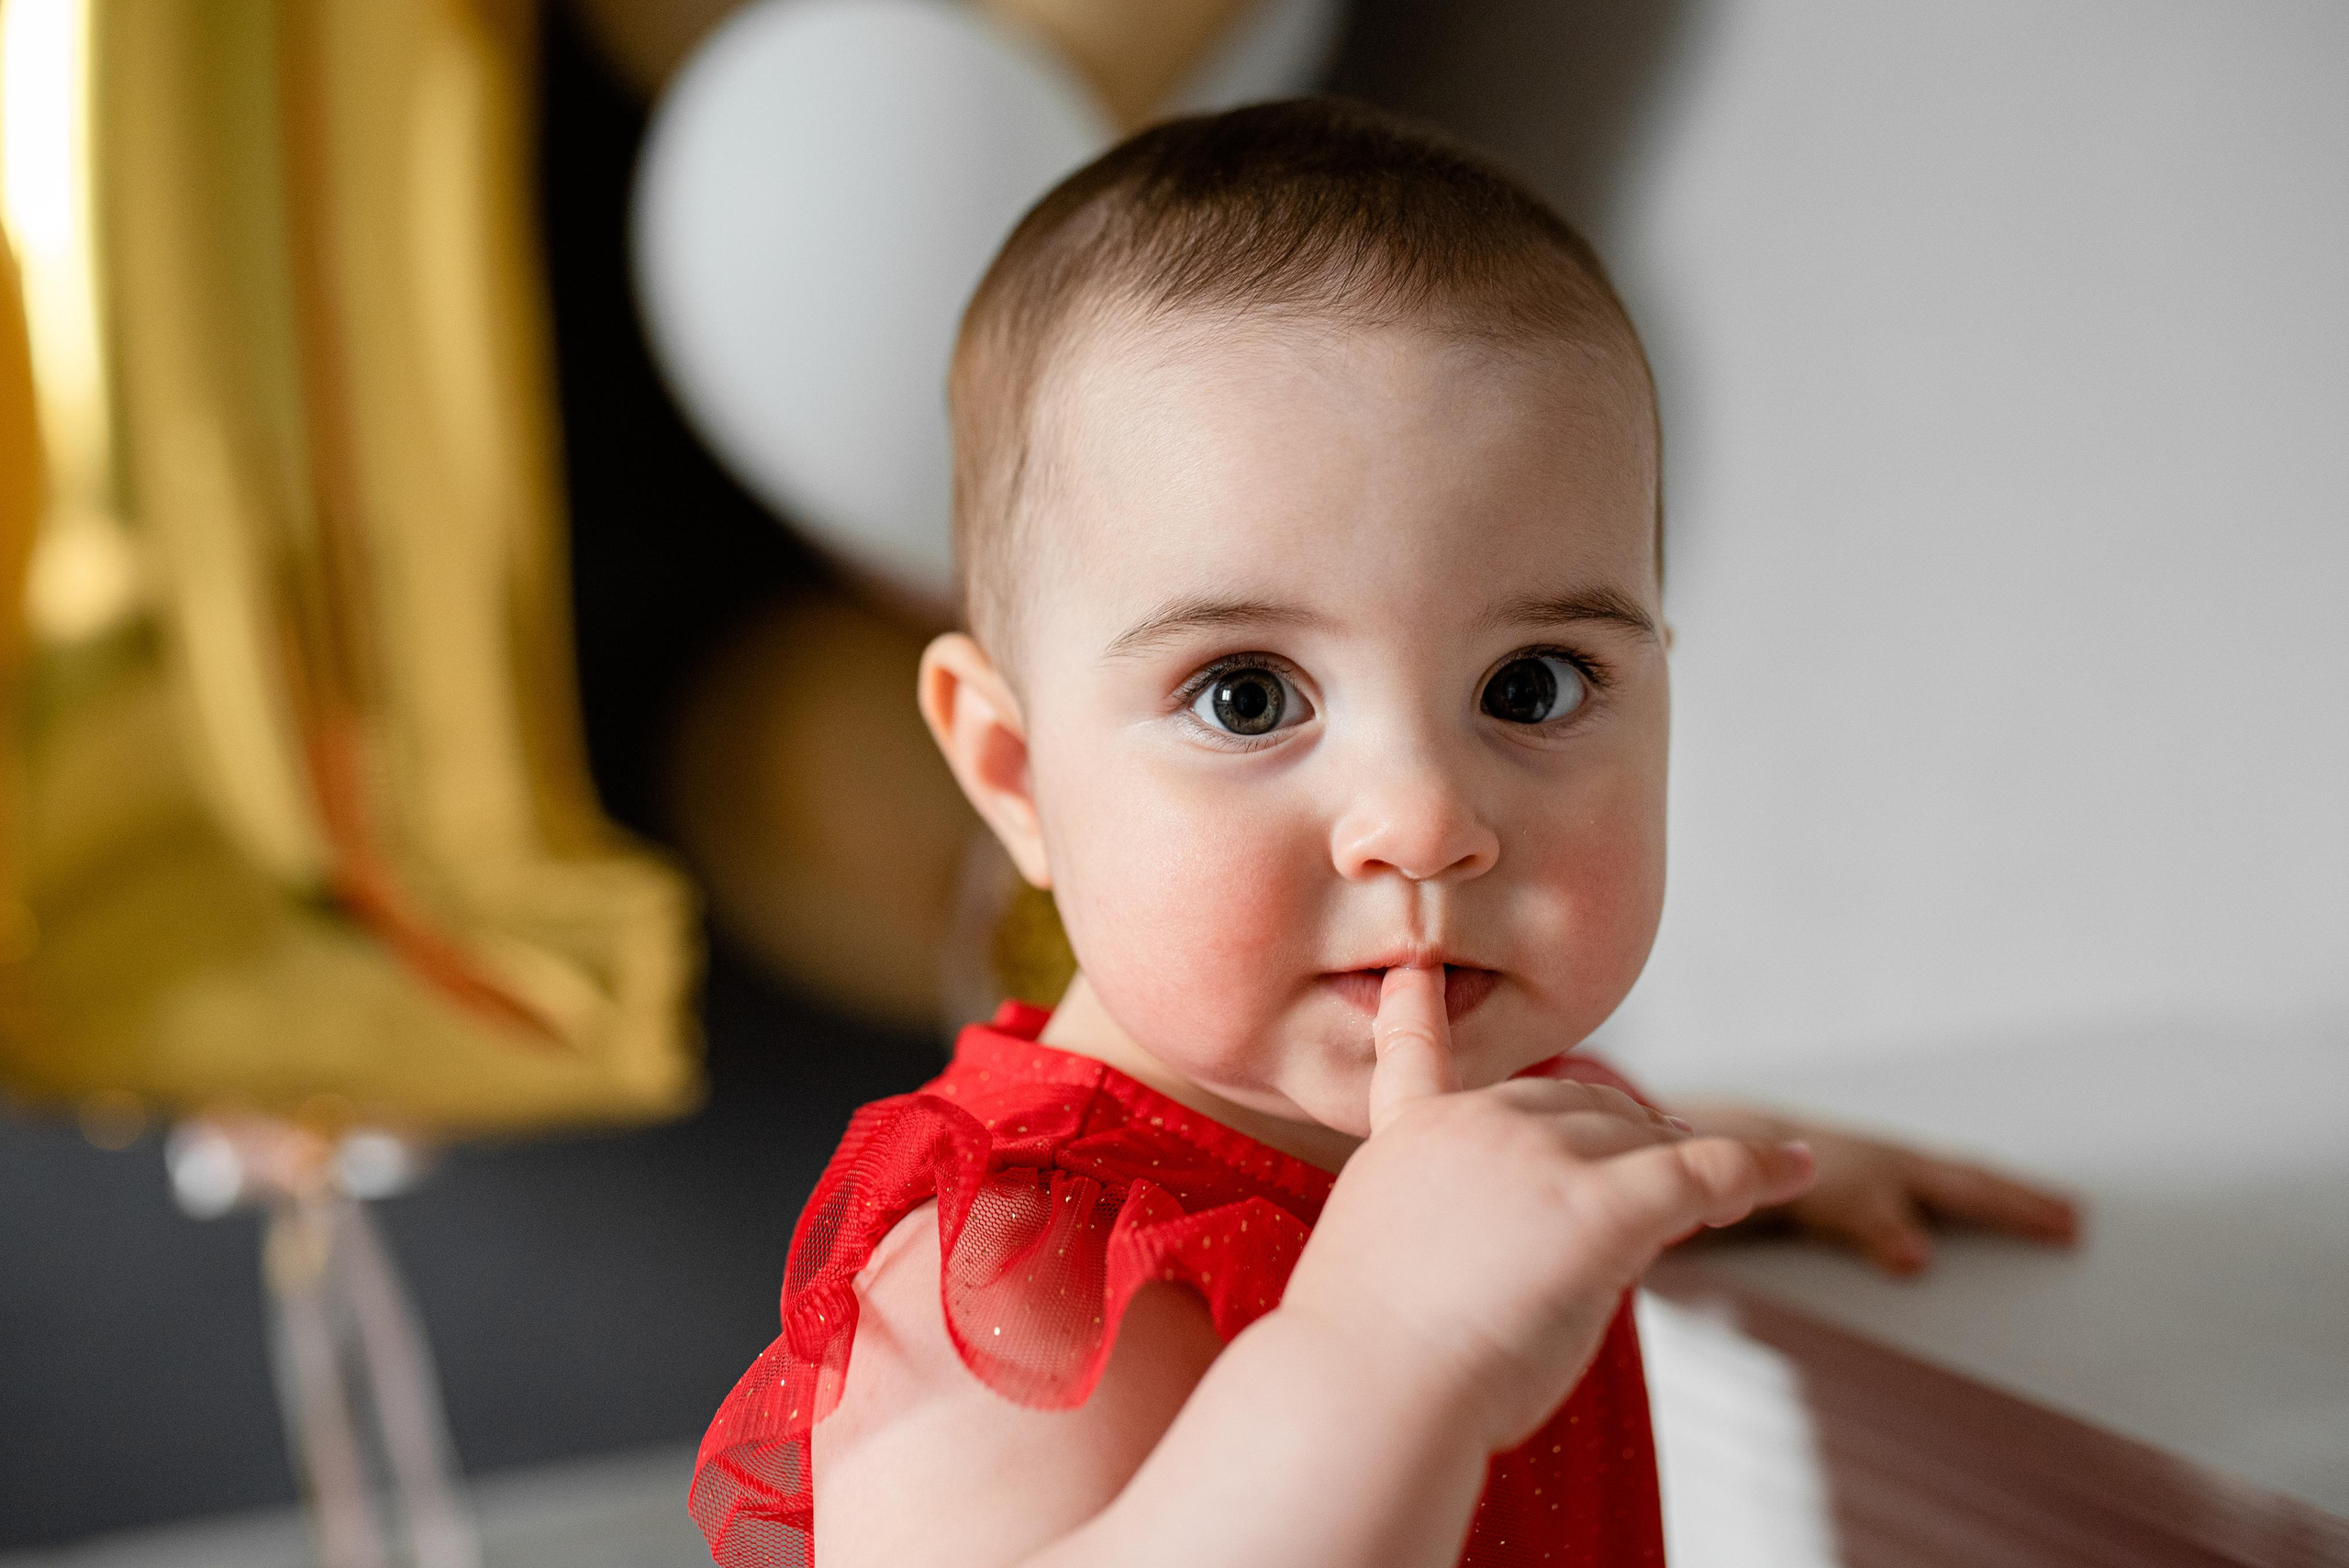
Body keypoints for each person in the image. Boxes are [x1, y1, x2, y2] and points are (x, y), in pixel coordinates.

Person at [690, 98, 2079, 1568]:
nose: (1423, 820)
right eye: (1245, 694)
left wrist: (1733, 1163)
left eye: (1529, 686)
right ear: (1016, 771)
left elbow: (1468, 1197)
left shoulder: (1450, 1103)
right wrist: (1381, 1347)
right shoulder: (1015, 1288)